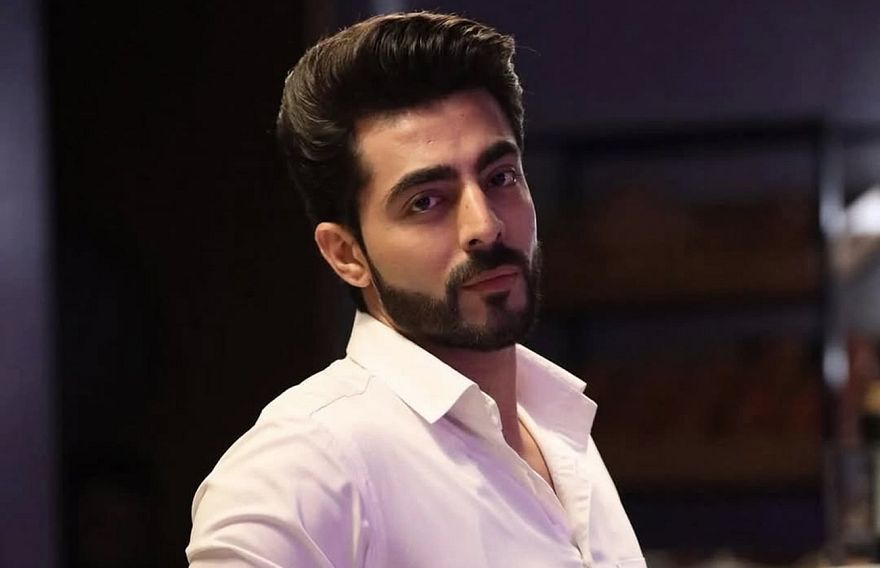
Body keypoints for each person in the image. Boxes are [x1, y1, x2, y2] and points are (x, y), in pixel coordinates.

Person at [187, 11, 644, 568]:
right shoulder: (307, 463)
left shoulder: (554, 426)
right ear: (346, 254)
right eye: (426, 201)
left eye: (500, 178)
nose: (485, 226)